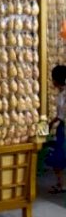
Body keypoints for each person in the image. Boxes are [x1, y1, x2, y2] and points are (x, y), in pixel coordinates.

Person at [48, 65, 66, 194]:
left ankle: (62, 184)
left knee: (59, 157)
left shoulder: (64, 94)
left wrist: (53, 122)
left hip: (64, 129)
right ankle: (61, 183)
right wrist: (52, 122)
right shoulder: (61, 93)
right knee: (59, 157)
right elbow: (60, 115)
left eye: (53, 78)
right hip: (61, 127)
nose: (52, 81)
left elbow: (62, 114)